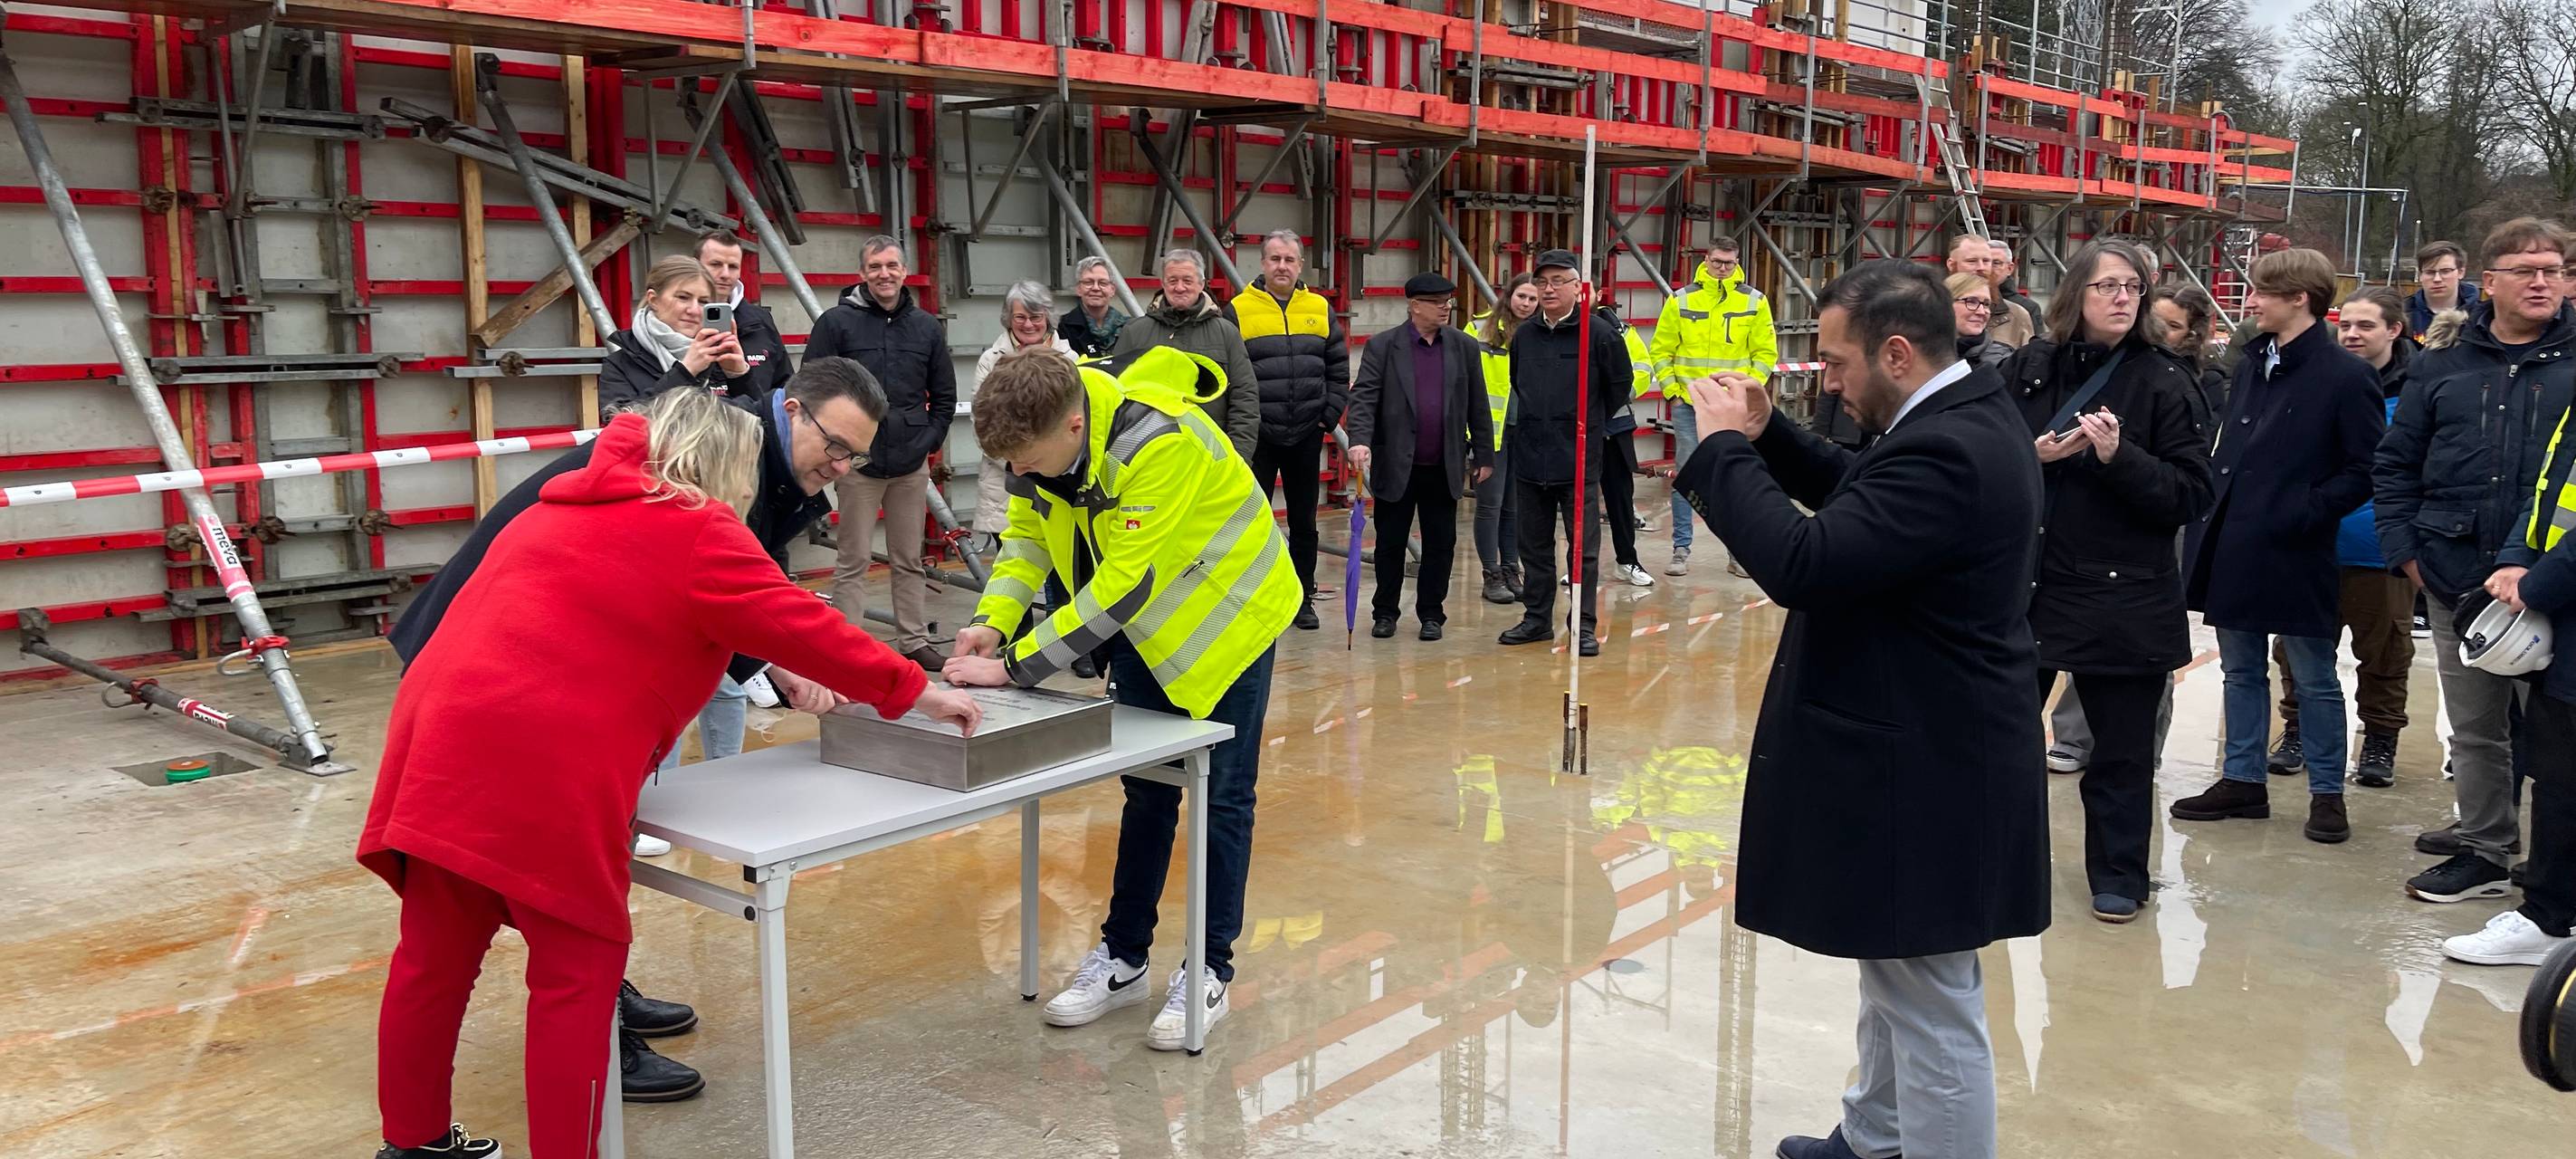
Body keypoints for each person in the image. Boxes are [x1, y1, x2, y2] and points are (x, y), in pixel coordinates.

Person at [363, 389, 981, 1159]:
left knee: (432, 960)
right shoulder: (694, 526)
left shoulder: (554, 506)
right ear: (724, 467)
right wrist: (916, 689)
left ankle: (412, 1143)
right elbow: (801, 623)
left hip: (434, 747)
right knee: (576, 978)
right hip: (544, 770)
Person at [1673, 259, 2046, 1159]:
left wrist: (1721, 450)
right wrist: (1768, 433)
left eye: (1837, 363)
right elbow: (1864, 492)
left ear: (1896, 354)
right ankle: (1874, 1137)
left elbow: (1806, 562)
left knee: (1930, 1003)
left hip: (1930, 760)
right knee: (1898, 972)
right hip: (1927, 745)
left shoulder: (1949, 447)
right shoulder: (1956, 414)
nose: (1828, 380)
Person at [945, 345, 1297, 1049]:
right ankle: (1125, 957)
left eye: (1027, 460)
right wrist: (992, 624)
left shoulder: (1157, 443)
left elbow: (1123, 585)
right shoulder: (1036, 446)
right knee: (1148, 793)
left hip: (1231, 620)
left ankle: (1209, 968)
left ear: (1072, 425)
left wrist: (1014, 667)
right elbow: (1026, 543)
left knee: (1222, 799)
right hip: (1149, 629)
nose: (1020, 473)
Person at [2000, 241, 2212, 924]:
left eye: (2133, 287)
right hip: (2029, 587)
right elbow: (1978, 456)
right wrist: (2028, 457)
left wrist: (2119, 457)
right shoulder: (2029, 367)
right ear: (2076, 295)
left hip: (2123, 595)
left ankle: (2119, 874)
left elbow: (2190, 494)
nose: (2122, 297)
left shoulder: (2165, 381)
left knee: (2120, 753)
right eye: (2107, 286)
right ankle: (1995, 864)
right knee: (1999, 744)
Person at [2377, 216, 2576, 903]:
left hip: (2555, 584)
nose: (2542, 282)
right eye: (2526, 271)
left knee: (2558, 735)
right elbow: (2397, 462)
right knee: (2475, 729)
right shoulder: (2442, 362)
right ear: (2488, 282)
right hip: (2456, 574)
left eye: (2553, 270)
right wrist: (2406, 554)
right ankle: (2487, 849)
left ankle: (2552, 869)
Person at [2173, 247, 2386, 845]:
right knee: (2240, 669)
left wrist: (2305, 511)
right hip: (2235, 539)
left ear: (2300, 298)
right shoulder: (2251, 362)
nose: (2252, 300)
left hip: (2297, 546)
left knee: (2314, 675)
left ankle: (2327, 794)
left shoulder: (2346, 375)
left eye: (2264, 291)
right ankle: (2242, 781)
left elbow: (2366, 467)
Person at [2448, 350, 2576, 966]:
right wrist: (2517, 558)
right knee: (2559, 773)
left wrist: (2538, 584)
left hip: (2563, 598)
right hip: (2564, 612)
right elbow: (2548, 491)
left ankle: (2549, 919)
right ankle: (2551, 914)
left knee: (2567, 777)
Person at [2262, 287, 2416, 789]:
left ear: (2394, 329)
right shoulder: (2313, 379)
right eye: (2344, 324)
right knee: (2297, 652)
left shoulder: (2418, 393)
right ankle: (2297, 732)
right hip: (2312, 544)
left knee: (2386, 654)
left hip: (2380, 550)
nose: (2351, 334)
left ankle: (2379, 740)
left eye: (2365, 326)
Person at [804, 235, 957, 673]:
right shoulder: (836, 324)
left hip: (910, 465)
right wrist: (837, 447)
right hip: (857, 464)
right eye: (875, 267)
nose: (884, 274)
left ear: (904, 271)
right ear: (862, 273)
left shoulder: (926, 328)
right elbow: (813, 387)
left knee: (909, 559)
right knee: (852, 560)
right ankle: (847, 647)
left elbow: (944, 397)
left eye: (891, 266)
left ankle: (914, 641)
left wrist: (927, 442)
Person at [1345, 273, 1494, 639]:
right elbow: (1364, 397)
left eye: (1448, 302)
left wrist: (1484, 454)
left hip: (1443, 464)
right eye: (1437, 302)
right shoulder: (1384, 346)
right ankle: (1385, 613)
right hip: (1397, 463)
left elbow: (1478, 403)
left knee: (1441, 544)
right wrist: (1359, 440)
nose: (1446, 308)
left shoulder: (1463, 346)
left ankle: (1431, 614)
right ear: (1414, 305)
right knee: (1390, 543)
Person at [1498, 249, 1629, 657]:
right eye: (1542, 282)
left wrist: (1582, 421)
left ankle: (1583, 625)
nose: (1548, 289)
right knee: (1533, 546)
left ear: (1578, 287)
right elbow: (1519, 383)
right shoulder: (1525, 335)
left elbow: (1618, 387)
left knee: (1582, 550)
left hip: (1578, 458)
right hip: (1531, 456)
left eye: (1558, 281)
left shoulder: (1599, 334)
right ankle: (1537, 618)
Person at [1232, 230, 1349, 631]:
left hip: (1305, 434)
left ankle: (1302, 598)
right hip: (1258, 437)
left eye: (1289, 259)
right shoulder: (1238, 309)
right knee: (1253, 522)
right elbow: (1231, 374)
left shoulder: (1319, 308)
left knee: (1304, 523)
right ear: (1262, 263)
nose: (1282, 266)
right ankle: (1257, 599)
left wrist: (1327, 416)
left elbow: (1338, 368)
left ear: (1300, 265)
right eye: (1275, 259)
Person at [1648, 236, 1775, 578]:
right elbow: (1661, 350)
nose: (1722, 268)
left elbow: (1766, 354)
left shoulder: (1754, 301)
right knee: (1687, 476)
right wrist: (1673, 393)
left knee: (1732, 477)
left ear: (1737, 263)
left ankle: (1736, 553)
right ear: (1706, 260)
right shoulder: (1681, 299)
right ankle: (1681, 550)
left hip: (1732, 406)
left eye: (1728, 263)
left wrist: (1745, 390)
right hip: (1689, 405)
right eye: (1717, 261)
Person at [1110, 248, 1261, 459]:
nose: (1179, 288)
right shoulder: (1134, 333)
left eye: (1187, 281)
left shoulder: (1226, 333)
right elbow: (1115, 397)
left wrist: (1238, 457)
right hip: (1150, 456)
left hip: (1210, 456)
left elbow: (1244, 398)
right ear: (1163, 284)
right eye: (1172, 281)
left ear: (1201, 284)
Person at [973, 281, 1077, 549]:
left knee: (1061, 567)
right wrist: (1024, 464)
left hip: (1060, 483)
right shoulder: (990, 361)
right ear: (1008, 318)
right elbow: (982, 426)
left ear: (1048, 317)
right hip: (1006, 485)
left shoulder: (1071, 360)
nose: (1028, 324)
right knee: (1014, 561)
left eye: (1035, 317)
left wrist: (1051, 465)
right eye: (1020, 317)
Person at [598, 255, 756, 417]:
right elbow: (620, 425)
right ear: (653, 300)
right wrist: (685, 372)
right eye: (683, 298)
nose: (694, 310)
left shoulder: (720, 353)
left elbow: (760, 423)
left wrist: (739, 376)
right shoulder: (620, 364)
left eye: (703, 301)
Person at [1471, 274, 1536, 604]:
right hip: (1490, 433)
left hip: (1525, 433)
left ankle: (1511, 568)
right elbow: (1464, 383)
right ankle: (1491, 573)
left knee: (1514, 507)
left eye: (1533, 299)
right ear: (1509, 295)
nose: (1526, 304)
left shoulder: (1541, 332)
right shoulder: (1479, 329)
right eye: (1522, 296)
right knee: (1490, 505)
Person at [1598, 299, 1658, 588]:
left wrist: (1618, 396)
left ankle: (1627, 561)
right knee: (1577, 502)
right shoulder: (1561, 331)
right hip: (1572, 429)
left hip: (1615, 426)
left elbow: (1643, 369)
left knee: (1620, 498)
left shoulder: (1621, 330)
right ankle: (1578, 565)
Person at [693, 229, 795, 395]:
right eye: (716, 264)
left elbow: (784, 386)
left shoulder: (761, 320)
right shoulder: (680, 319)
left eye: (733, 267)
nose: (725, 274)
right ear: (695, 265)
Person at [2148, 283, 2229, 417]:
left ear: (2191, 334)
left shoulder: (2208, 381)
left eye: (2173, 326)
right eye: (2154, 320)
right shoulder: (2126, 361)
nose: (2159, 330)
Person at [1949, 234, 2033, 348]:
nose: (1981, 267)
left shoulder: (2017, 316)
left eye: (1986, 261)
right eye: (1971, 261)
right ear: (1951, 264)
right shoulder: (1928, 310)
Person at [2404, 239, 2480, 341]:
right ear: (2420, 275)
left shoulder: (2481, 316)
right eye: (2430, 272)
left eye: (2445, 271)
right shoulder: (2403, 315)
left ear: (2461, 272)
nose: (2437, 279)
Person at [1058, 255, 1131, 357]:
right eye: (1088, 282)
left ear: (1112, 290)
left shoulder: (1129, 328)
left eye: (1103, 283)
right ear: (1078, 289)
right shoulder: (1062, 328)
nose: (1096, 288)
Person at [1948, 272, 2014, 370]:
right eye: (1971, 301)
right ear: (1945, 303)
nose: (1982, 312)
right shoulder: (1924, 356)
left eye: (1986, 304)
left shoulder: (2004, 362)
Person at [1990, 239, 2042, 328]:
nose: (1988, 268)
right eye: (1985, 261)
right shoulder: (1968, 301)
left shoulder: (2029, 308)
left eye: (1996, 263)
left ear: (2010, 268)